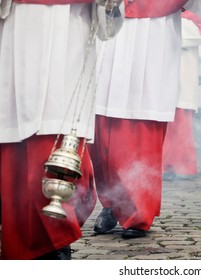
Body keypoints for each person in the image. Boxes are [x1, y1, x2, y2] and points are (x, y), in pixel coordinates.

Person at [0, 0, 123, 259]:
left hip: (70, 42)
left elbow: (107, 19)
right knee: (16, 153)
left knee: (59, 151)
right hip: (19, 37)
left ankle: (54, 242)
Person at [89, 0, 198, 239]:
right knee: (102, 119)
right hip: (110, 22)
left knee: (141, 117)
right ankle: (111, 202)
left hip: (152, 29)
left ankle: (138, 210)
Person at [162, 9, 201, 182]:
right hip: (165, 79)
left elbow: (199, 35)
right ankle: (165, 165)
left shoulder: (192, 21)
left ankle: (183, 166)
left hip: (184, 79)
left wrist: (171, 34)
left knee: (182, 127)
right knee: (166, 128)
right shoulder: (164, 18)